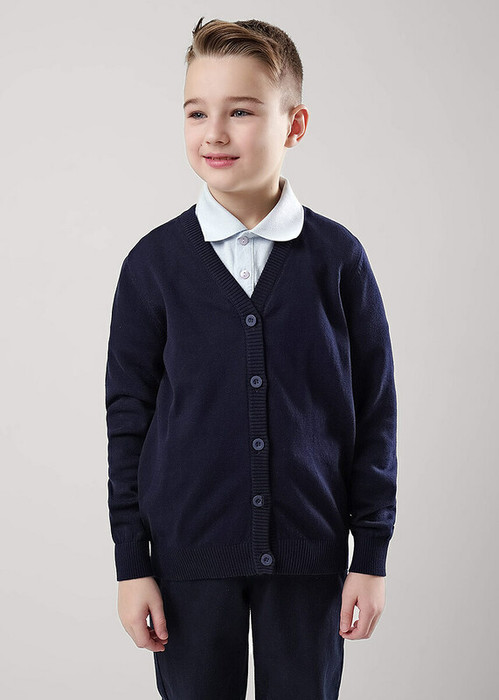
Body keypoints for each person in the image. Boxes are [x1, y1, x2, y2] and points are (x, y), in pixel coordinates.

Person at [105, 16, 398, 700]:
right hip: (187, 557)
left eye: (240, 111)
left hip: (310, 555)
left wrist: (371, 555)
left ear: (294, 125)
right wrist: (131, 563)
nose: (214, 132)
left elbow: (374, 413)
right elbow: (128, 420)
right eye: (196, 112)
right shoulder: (153, 265)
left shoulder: (337, 260)